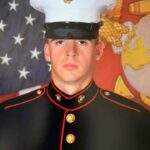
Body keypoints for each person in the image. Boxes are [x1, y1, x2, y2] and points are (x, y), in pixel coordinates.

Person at [0, 0, 149, 150]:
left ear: (98, 50)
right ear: (47, 52)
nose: (71, 51)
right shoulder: (8, 117)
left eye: (82, 42)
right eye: (59, 42)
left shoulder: (136, 122)